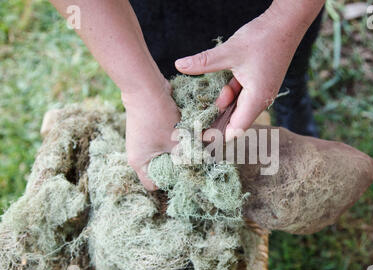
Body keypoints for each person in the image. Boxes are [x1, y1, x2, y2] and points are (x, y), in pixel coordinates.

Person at [49, 0, 325, 190]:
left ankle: (290, 96)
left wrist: (284, 24)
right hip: (164, 12)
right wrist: (141, 92)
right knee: (175, 68)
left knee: (287, 63)